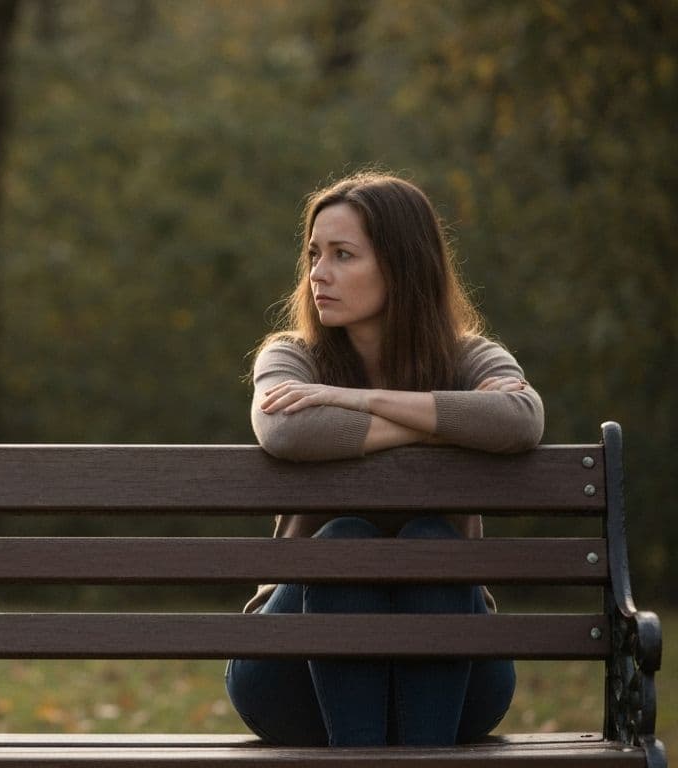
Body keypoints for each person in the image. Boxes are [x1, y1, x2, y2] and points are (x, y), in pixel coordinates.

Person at [225, 172, 544, 746]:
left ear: (402, 266)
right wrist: (445, 427)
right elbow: (285, 431)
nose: (318, 273)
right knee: (347, 539)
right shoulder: (291, 355)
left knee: (429, 541)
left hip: (459, 675)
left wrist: (358, 399)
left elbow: (520, 418)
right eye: (314, 254)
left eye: (343, 255)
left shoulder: (468, 355)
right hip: (290, 673)